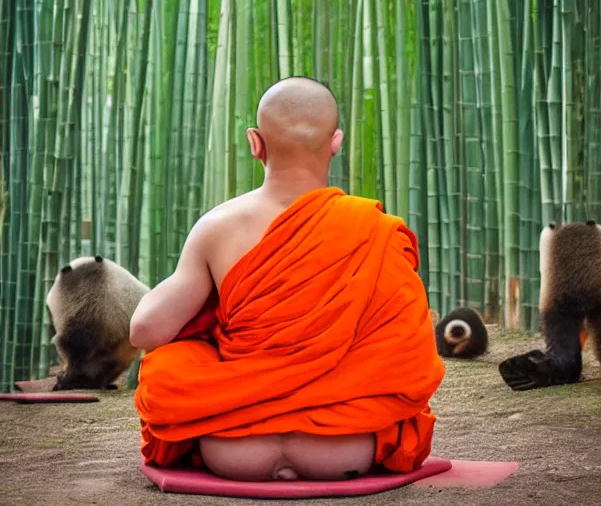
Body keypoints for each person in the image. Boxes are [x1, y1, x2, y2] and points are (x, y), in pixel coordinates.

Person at [129, 76, 446, 482]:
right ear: (336, 142)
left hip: (233, 447)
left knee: (167, 368)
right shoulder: (373, 230)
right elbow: (408, 358)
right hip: (342, 444)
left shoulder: (217, 228)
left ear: (254, 143)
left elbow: (145, 331)